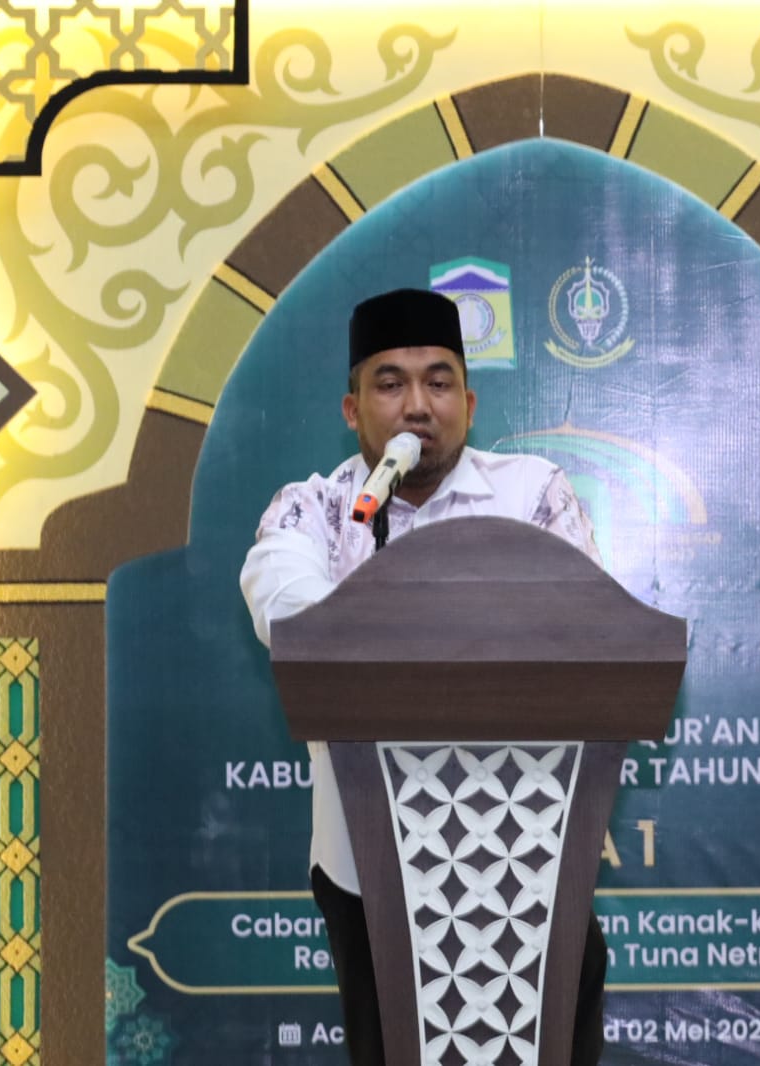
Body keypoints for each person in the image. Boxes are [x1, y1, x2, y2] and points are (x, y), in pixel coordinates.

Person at [239, 287, 608, 1066]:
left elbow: (576, 632)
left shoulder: (531, 494)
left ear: (467, 404)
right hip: (368, 874)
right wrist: (474, 629)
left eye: (438, 383)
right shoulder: (313, 509)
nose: (416, 405)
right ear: (352, 409)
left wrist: (385, 631)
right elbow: (292, 617)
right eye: (390, 383)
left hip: (529, 865)